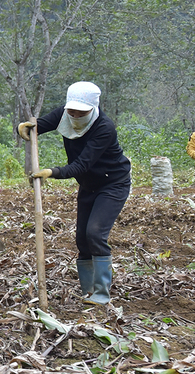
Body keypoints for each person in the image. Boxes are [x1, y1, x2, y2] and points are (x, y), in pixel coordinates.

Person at [19, 81, 131, 305]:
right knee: (82, 238)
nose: (75, 115)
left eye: (81, 112)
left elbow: (82, 165)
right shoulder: (64, 114)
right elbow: (39, 125)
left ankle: (101, 293)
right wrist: (26, 127)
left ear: (92, 109)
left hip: (112, 184)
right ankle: (87, 291)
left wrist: (52, 172)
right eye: (72, 110)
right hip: (88, 185)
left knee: (96, 233)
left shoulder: (104, 128)